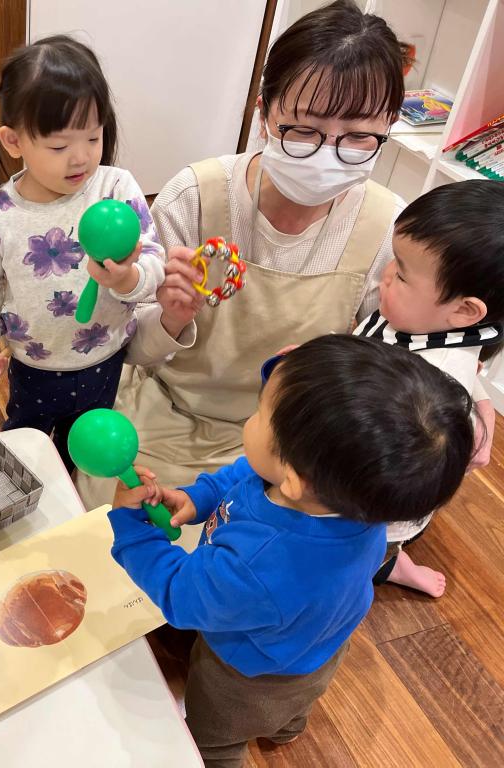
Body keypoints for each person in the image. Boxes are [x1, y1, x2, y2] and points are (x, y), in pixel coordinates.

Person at [76, 0, 417, 521]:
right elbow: (133, 352)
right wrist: (170, 318)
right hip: (171, 413)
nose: (328, 154)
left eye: (358, 136)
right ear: (264, 112)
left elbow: (393, 366)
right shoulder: (196, 196)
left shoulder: (387, 230)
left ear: (388, 126)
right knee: (123, 529)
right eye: (303, 129)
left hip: (297, 441)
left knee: (268, 561)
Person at [109, 335, 474, 767]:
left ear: (294, 478)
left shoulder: (257, 565)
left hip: (246, 676)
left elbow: (180, 593)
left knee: (215, 738)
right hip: (319, 644)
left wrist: (131, 526)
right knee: (295, 699)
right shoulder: (355, 500)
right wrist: (200, 497)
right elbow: (248, 475)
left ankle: (232, 745)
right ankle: (287, 726)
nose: (251, 416)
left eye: (260, 413)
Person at [0, 35, 164, 471]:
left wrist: (127, 279)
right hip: (33, 365)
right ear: (14, 141)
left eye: (93, 137)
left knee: (85, 453)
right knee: (25, 454)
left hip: (105, 359)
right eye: (59, 146)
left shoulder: (116, 189)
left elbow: (153, 261)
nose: (81, 158)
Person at [355, 180, 504, 597]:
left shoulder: (433, 378)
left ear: (463, 310)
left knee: (372, 545)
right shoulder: (424, 322)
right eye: (392, 262)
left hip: (386, 484)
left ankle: (395, 566)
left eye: (401, 275)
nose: (386, 276)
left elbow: (393, 453)